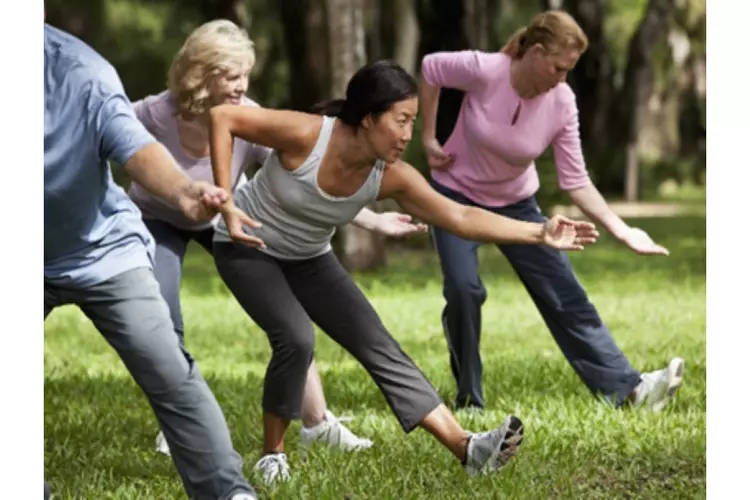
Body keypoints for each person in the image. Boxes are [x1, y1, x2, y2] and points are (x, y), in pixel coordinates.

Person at [206, 59, 599, 484]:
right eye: (401, 120)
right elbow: (223, 117)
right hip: (247, 245)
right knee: (296, 337)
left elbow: (461, 217)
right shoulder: (307, 133)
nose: (409, 134)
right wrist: (226, 202)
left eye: (413, 121)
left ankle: (466, 448)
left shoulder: (390, 177)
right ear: (369, 118)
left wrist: (539, 232)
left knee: (378, 343)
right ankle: (273, 455)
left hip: (309, 258)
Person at [127, 19, 409, 457]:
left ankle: (317, 423)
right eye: (231, 75)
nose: (242, 85)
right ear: (200, 74)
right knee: (162, 312)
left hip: (226, 216)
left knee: (288, 319)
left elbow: (300, 184)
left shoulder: (251, 116)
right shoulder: (152, 113)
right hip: (157, 216)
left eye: (246, 74)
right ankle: (177, 419)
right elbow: (110, 142)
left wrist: (372, 220)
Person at [418, 9, 684, 412]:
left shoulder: (561, 102)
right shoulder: (486, 70)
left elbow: (575, 180)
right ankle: (469, 399)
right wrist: (428, 137)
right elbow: (430, 68)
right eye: (559, 68)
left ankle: (630, 391)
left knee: (564, 292)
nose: (563, 79)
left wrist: (622, 229)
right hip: (455, 195)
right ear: (537, 52)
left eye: (569, 70)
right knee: (463, 289)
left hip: (517, 204)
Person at [44, 23, 258, 500]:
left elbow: (135, 146)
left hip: (102, 251)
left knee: (169, 369)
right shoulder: (161, 105)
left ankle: (229, 493)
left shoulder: (83, 73)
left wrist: (185, 190)